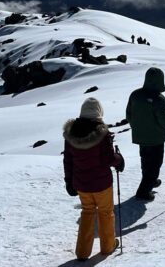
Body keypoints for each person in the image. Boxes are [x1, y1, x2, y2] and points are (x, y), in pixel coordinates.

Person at [63, 97, 125, 260]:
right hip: (102, 183)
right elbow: (108, 159)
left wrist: (68, 181)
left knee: (88, 213)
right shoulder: (101, 133)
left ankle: (82, 252)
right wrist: (119, 158)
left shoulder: (71, 133)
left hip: (82, 184)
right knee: (105, 213)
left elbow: (68, 160)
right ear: (99, 112)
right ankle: (108, 246)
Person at [126, 67, 165, 201]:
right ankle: (144, 191)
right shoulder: (159, 99)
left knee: (145, 161)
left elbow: (129, 115)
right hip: (155, 138)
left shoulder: (135, 95)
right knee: (155, 164)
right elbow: (164, 121)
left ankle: (150, 181)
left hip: (140, 137)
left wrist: (137, 127)